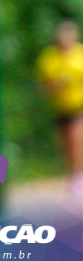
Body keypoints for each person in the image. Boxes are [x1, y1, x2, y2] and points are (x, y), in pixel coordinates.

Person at [35, 18, 83, 195]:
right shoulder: (49, 57)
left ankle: (77, 176)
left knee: (75, 140)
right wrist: (57, 85)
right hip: (59, 107)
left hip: (78, 106)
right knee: (65, 143)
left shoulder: (80, 54)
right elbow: (43, 84)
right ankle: (72, 174)